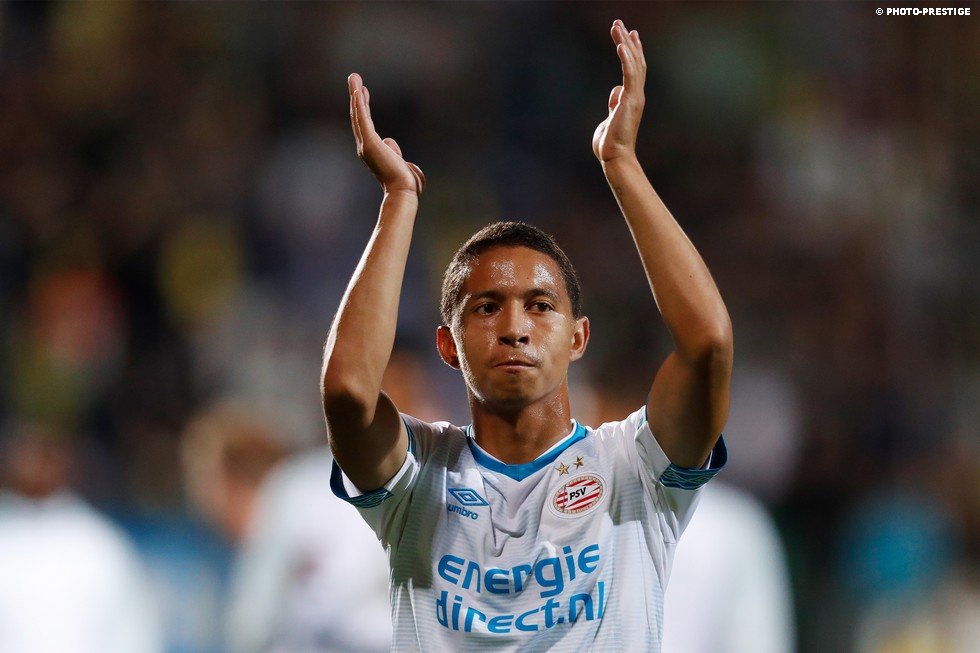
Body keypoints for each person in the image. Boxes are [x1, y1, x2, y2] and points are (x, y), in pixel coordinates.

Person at [321, 19, 732, 652]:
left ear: (579, 338)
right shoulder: (417, 477)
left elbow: (708, 346)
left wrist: (621, 163)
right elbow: (348, 392)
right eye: (486, 308)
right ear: (448, 346)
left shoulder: (633, 468)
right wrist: (399, 199)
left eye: (540, 306)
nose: (514, 328)